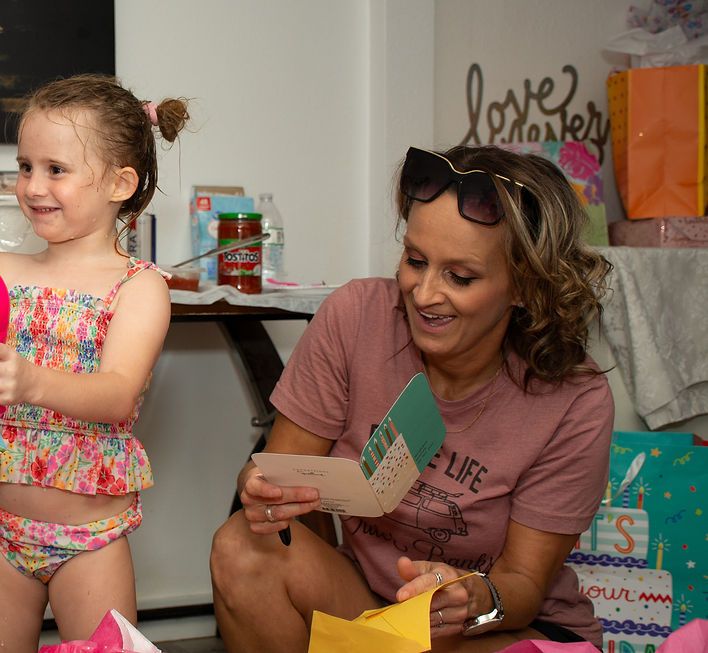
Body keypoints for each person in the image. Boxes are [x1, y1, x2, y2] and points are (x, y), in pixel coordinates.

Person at [210, 145, 615, 652]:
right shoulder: (356, 319)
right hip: (372, 601)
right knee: (240, 548)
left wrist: (473, 598)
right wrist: (261, 488)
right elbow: (283, 470)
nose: (423, 294)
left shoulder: (574, 399)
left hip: (494, 627)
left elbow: (525, 587)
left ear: (525, 289)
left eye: (460, 277)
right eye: (415, 260)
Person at [0, 74, 190, 651]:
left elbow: (115, 395)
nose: (33, 186)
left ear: (120, 182)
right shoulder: (1, 272)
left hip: (88, 538)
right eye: (25, 166)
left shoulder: (139, 288)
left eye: (56, 169)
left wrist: (31, 379)